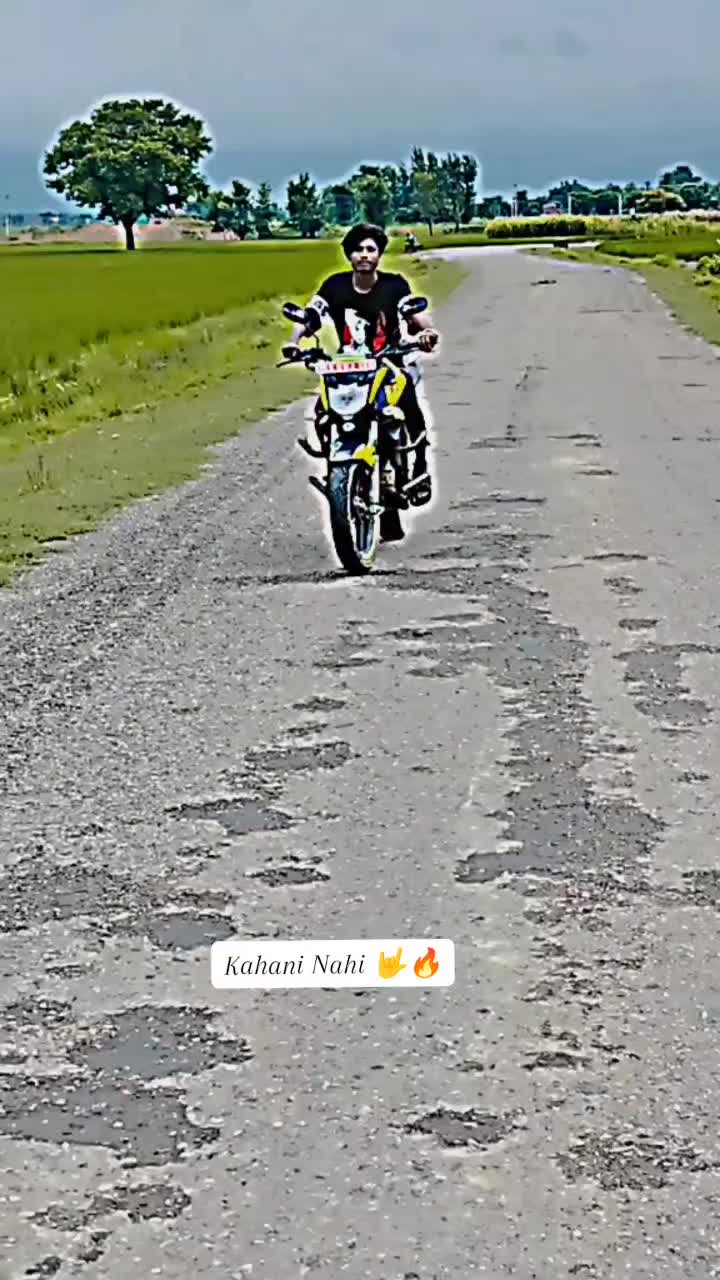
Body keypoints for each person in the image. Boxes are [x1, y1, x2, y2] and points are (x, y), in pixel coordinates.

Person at [282, 222, 439, 506]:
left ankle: (419, 467)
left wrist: (427, 332)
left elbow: (414, 315)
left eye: (370, 249)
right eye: (358, 249)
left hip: (390, 361)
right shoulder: (334, 286)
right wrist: (294, 342)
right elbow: (311, 316)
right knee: (323, 410)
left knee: (408, 403)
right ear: (349, 255)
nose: (364, 254)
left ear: (379, 254)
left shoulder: (394, 285)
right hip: (349, 367)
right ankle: (335, 462)